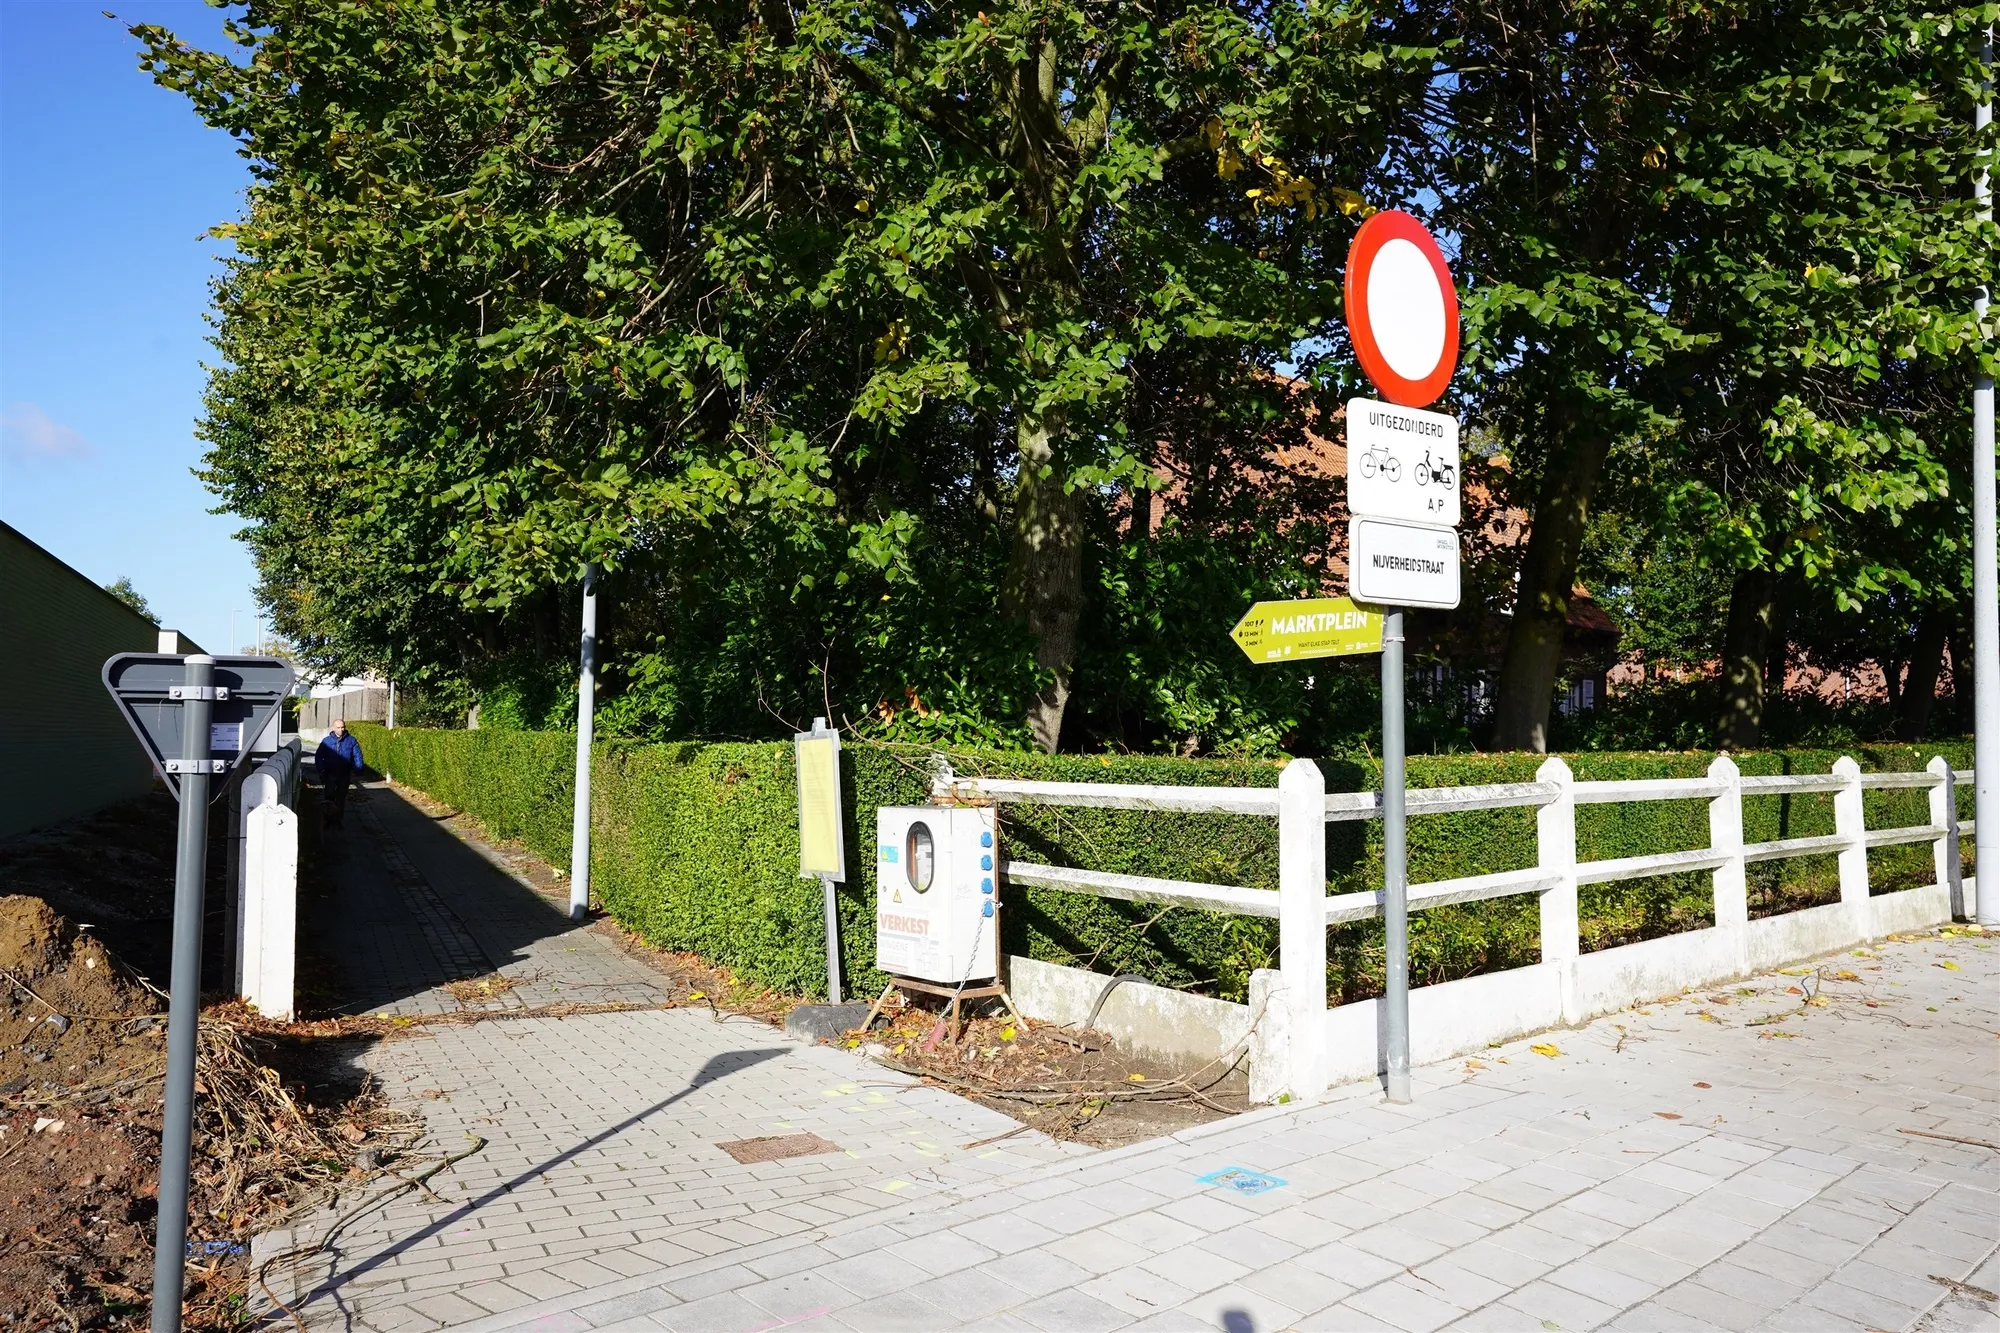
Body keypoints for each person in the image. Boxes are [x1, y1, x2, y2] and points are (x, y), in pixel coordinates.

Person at [315, 718, 364, 829]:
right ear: (333, 728)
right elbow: (319, 756)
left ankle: (337, 820)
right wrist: (321, 769)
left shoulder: (351, 740)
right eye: (338, 727)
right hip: (329, 773)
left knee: (341, 798)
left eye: (342, 727)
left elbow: (357, 755)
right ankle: (328, 820)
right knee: (329, 797)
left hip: (344, 773)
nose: (341, 729)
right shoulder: (326, 741)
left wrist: (358, 768)